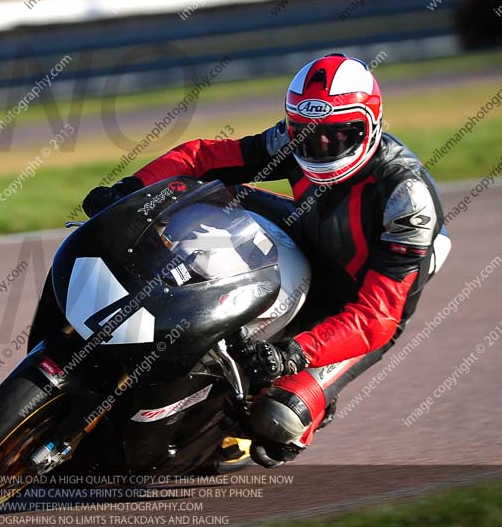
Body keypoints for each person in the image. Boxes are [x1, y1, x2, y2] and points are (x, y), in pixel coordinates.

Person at [81, 53, 452, 467]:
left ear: (371, 126)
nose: (321, 147)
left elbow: (377, 317)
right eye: (308, 135)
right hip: (307, 241)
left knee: (277, 421)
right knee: (200, 204)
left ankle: (296, 414)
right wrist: (130, 191)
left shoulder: (406, 196)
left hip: (357, 305)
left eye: (338, 135)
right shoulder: (292, 141)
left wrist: (296, 352)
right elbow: (203, 158)